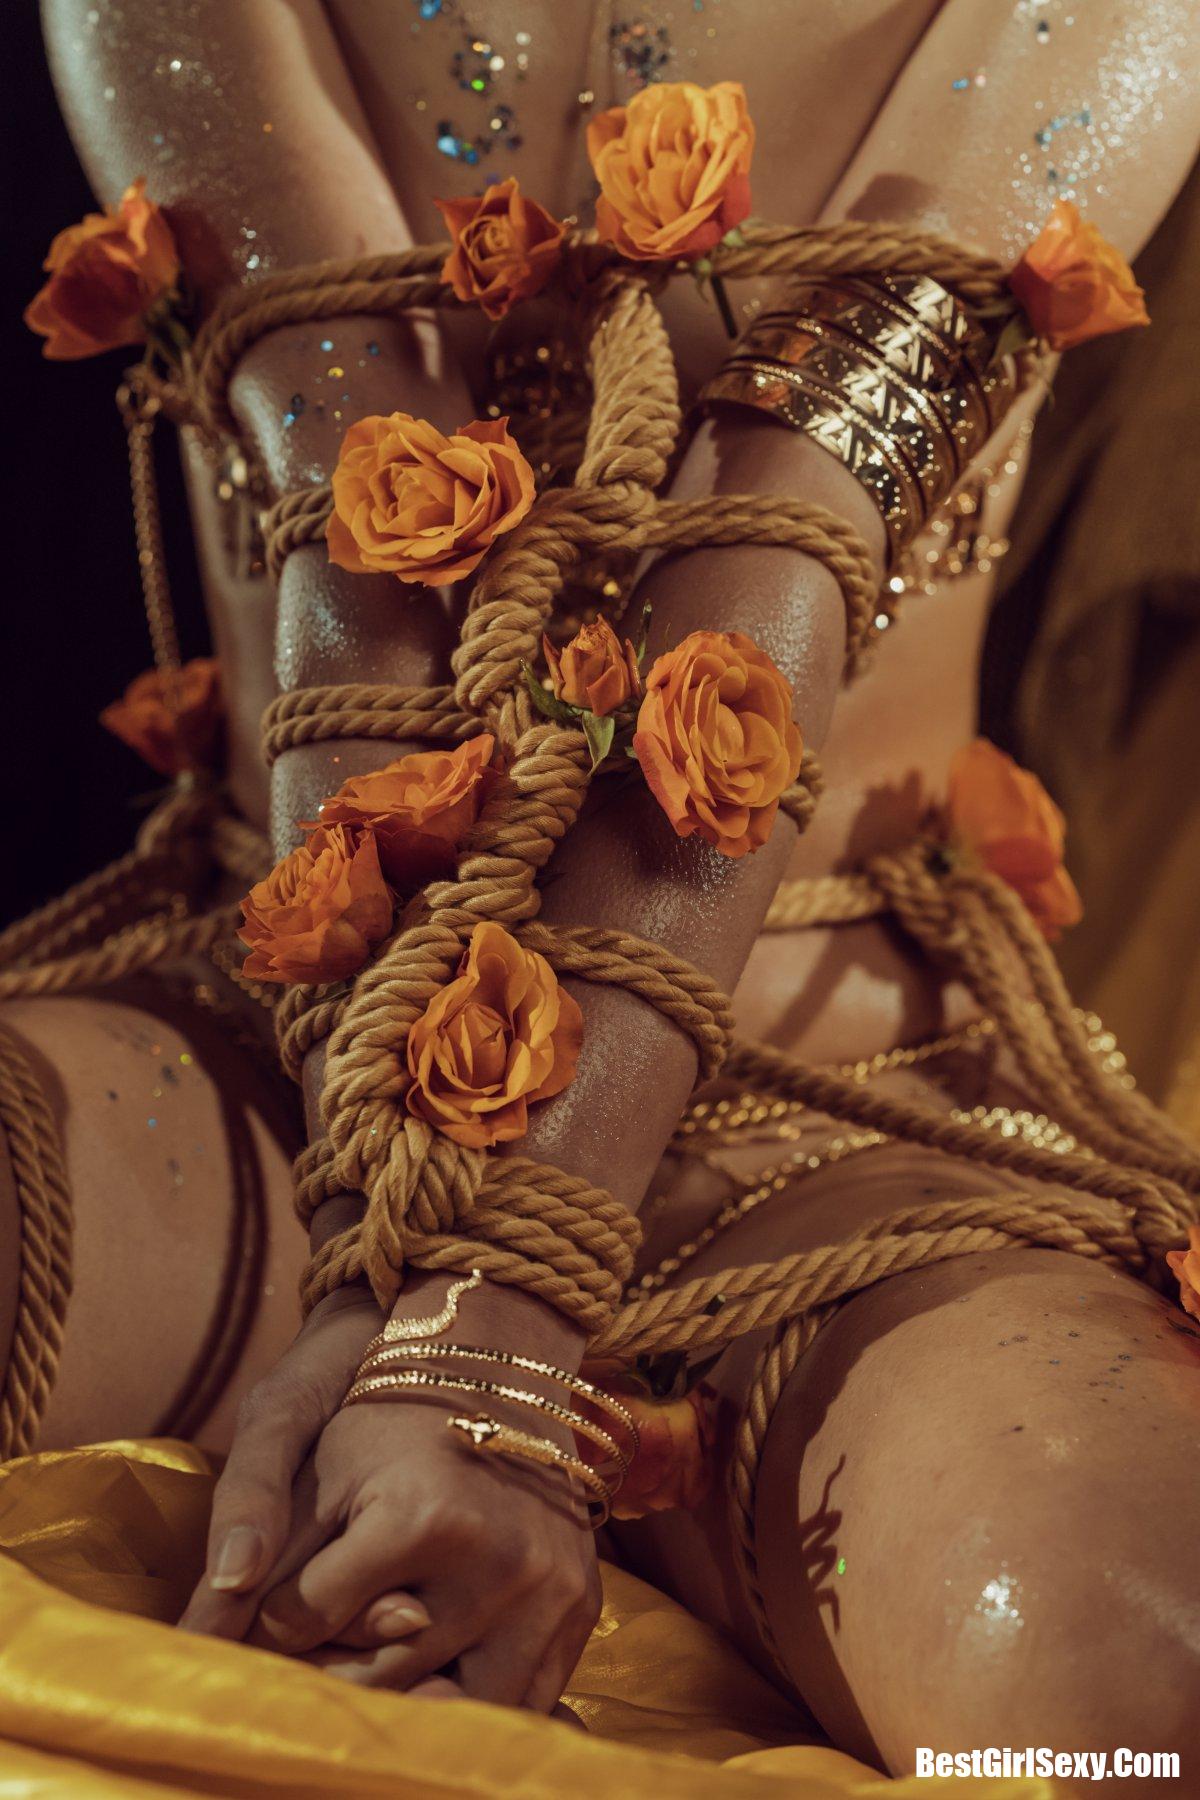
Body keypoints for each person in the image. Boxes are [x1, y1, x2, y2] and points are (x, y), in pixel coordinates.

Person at [4, 1, 1198, 1785]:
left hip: (830, 1119)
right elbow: (366, 496)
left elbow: (782, 519)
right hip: (268, 1080)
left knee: (1139, 1690)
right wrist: (398, 1257)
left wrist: (484, 1326)